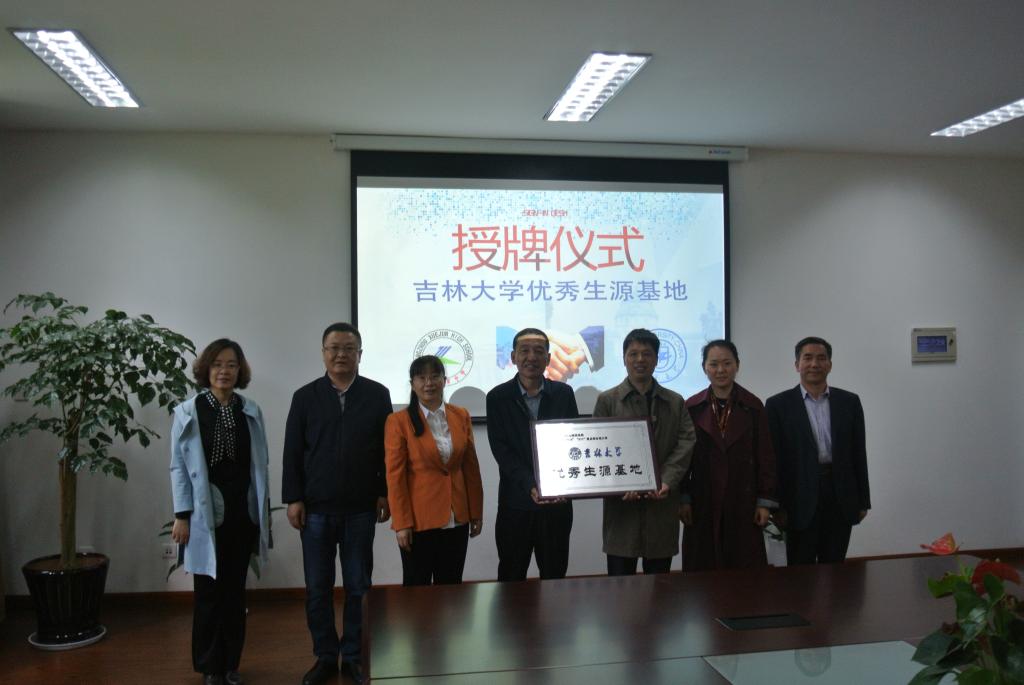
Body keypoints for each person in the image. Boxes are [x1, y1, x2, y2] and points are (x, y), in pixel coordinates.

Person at [281, 323, 392, 685]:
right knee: (318, 588)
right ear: (323, 352)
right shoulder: (305, 396)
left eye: (348, 348)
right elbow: (292, 451)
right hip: (316, 509)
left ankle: (355, 656)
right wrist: (293, 498)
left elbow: (386, 451)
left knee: (359, 587)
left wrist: (384, 492)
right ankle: (326, 656)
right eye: (334, 348)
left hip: (361, 508)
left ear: (360, 354)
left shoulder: (377, 394)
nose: (341, 354)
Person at [169, 339, 271, 685]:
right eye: (217, 364)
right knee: (209, 595)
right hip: (204, 514)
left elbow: (260, 467)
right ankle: (210, 666)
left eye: (231, 365)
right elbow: (178, 468)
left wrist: (262, 516)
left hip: (242, 512)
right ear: (205, 369)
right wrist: (181, 515)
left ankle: (231, 664)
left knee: (234, 593)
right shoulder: (188, 411)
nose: (224, 371)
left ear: (240, 370)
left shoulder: (250, 410)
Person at [593, 329, 696, 575]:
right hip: (622, 511)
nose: (640, 359)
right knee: (620, 587)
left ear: (657, 359)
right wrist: (619, 485)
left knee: (659, 587)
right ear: (624, 358)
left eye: (647, 354)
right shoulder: (607, 401)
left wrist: (666, 480)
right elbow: (597, 448)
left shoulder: (674, 401)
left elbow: (686, 440)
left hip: (662, 504)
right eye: (633, 354)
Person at [765, 337, 870, 564]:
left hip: (840, 495)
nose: (814, 364)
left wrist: (863, 500)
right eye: (808, 358)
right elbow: (774, 460)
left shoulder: (849, 402)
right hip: (797, 498)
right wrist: (776, 505)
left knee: (835, 565)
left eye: (821, 358)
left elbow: (858, 453)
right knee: (800, 568)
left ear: (830, 365)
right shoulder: (777, 405)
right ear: (797, 364)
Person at [486, 327, 579, 581]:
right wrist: (530, 484)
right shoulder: (497, 398)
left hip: (557, 505)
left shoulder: (563, 394)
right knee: (511, 577)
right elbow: (501, 450)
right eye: (524, 351)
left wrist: (562, 485)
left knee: (555, 577)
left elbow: (574, 442)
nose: (531, 357)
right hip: (516, 504)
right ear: (513, 357)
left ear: (548, 358)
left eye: (539, 351)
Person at [385, 355, 484, 585]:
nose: (428, 383)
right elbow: (395, 477)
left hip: (457, 518)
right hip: (418, 521)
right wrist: (401, 523)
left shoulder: (461, 415)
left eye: (434, 376)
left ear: (444, 380)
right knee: (417, 590)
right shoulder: (398, 421)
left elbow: (471, 468)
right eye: (421, 378)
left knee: (451, 588)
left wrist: (476, 512)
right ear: (412, 384)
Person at [681, 340, 777, 570]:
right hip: (703, 498)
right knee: (703, 568)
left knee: (743, 568)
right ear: (704, 368)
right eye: (714, 364)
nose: (720, 370)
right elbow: (682, 458)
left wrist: (764, 502)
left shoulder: (753, 406)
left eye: (727, 363)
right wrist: (683, 498)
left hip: (743, 498)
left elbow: (765, 456)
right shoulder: (692, 407)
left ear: (737, 365)